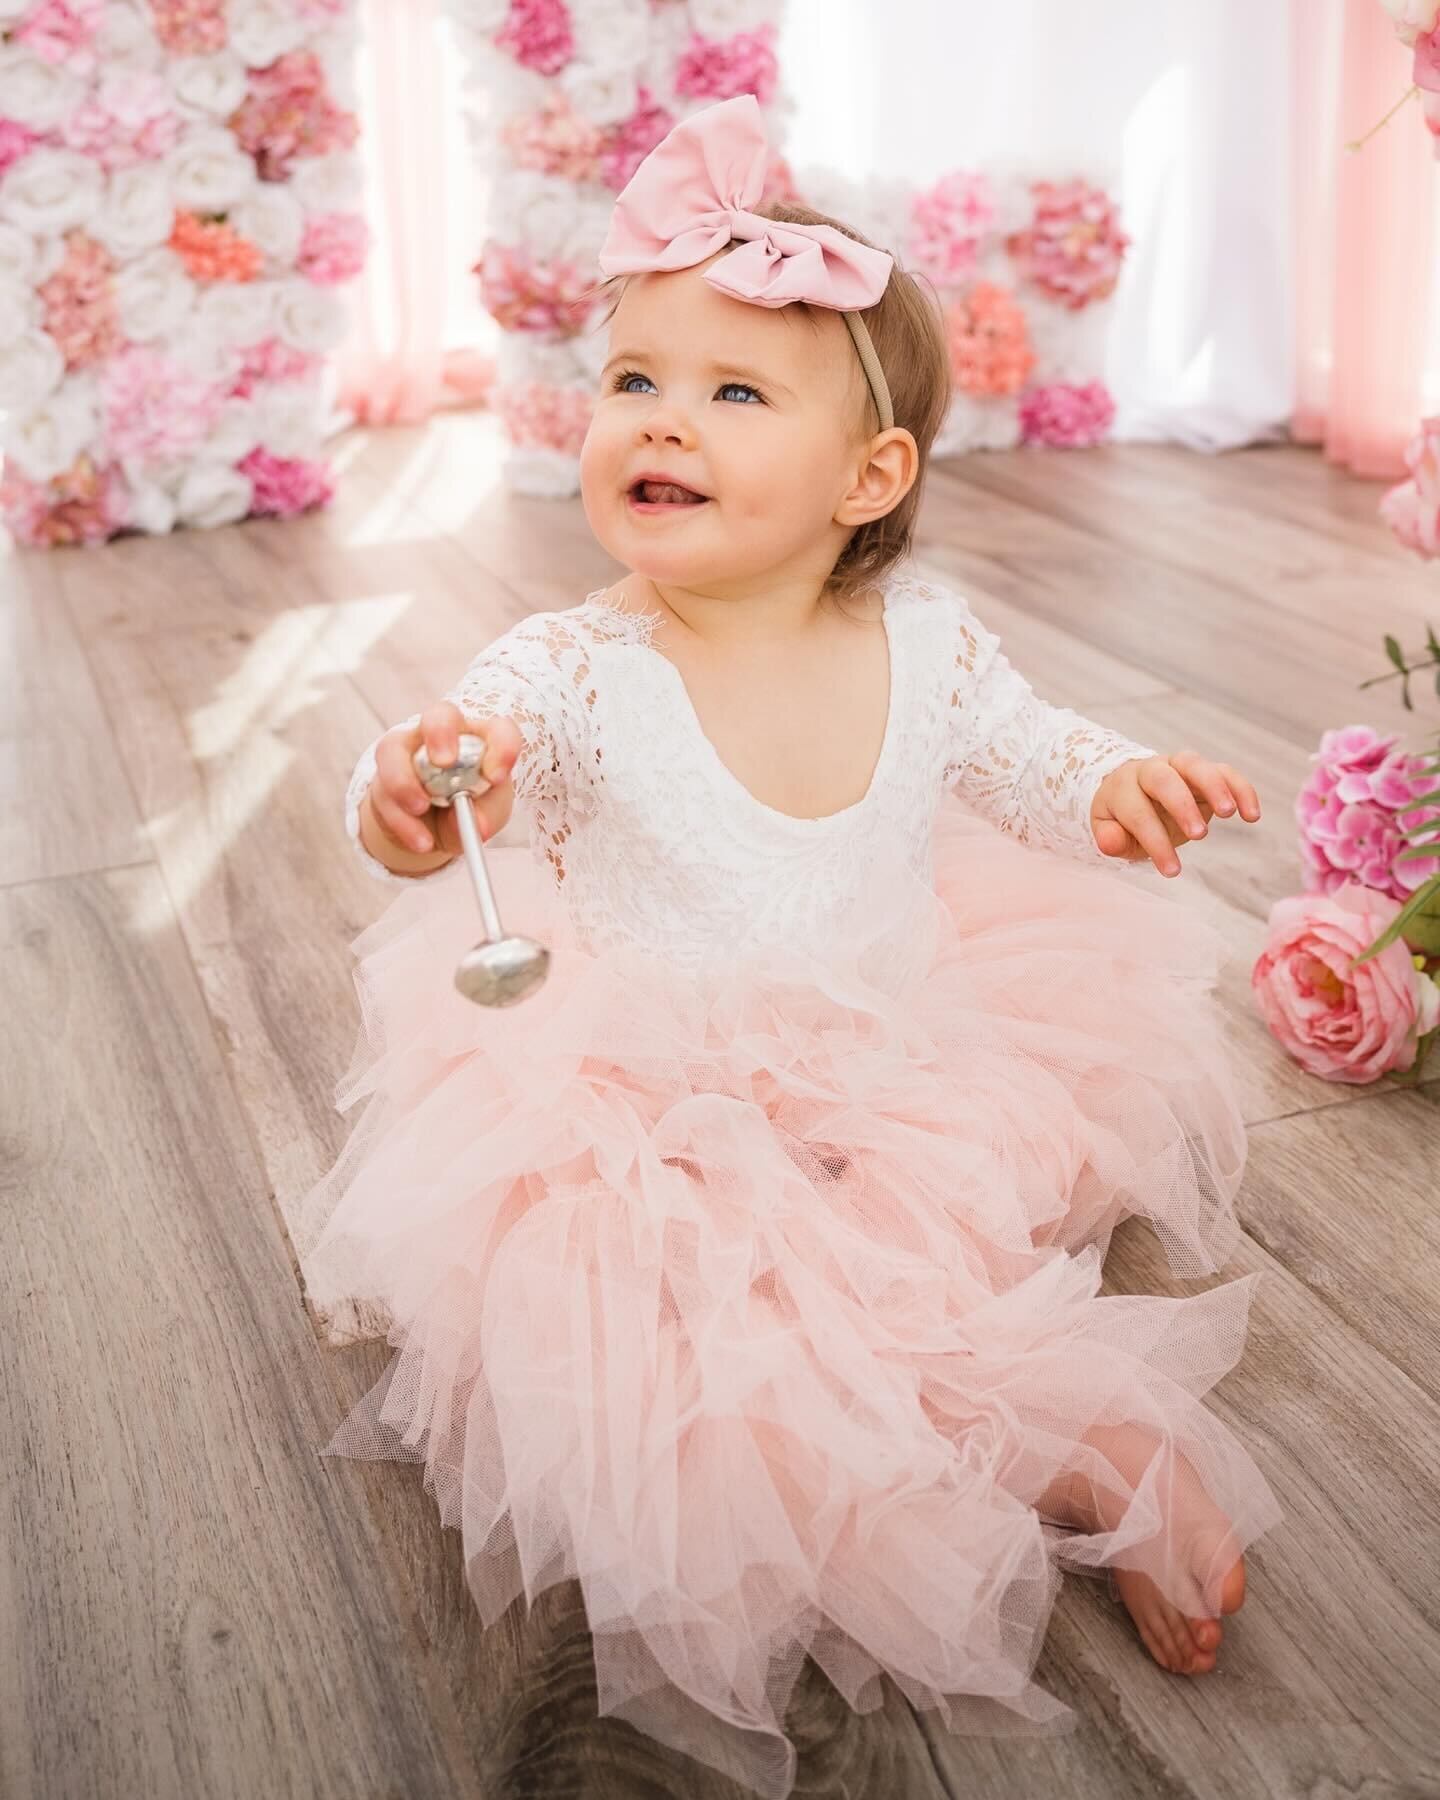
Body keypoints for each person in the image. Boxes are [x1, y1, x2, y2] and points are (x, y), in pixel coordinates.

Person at [286, 95, 1283, 1800]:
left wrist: (1122, 784)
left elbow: (1034, 759)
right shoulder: (572, 667)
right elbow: (465, 772)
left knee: (904, 1244)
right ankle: (1061, 1447)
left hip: (905, 1052)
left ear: (869, 478)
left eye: (734, 393)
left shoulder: (930, 641)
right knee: (697, 1339)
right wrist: (416, 792)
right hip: (648, 1092)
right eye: (635, 382)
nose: (661, 421)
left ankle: (1057, 1425)